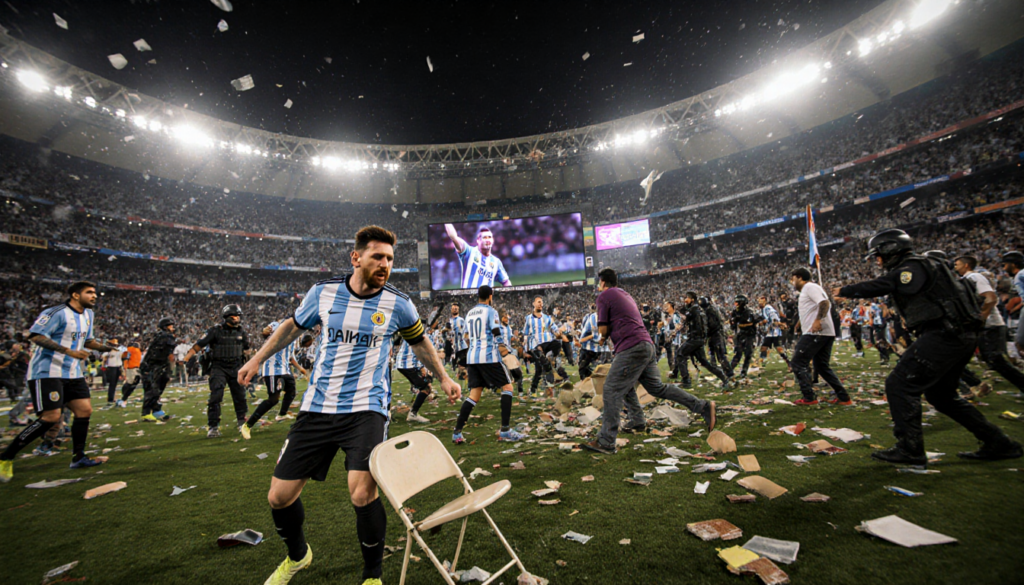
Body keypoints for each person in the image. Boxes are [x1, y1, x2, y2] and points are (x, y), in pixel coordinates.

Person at [237, 225, 460, 585]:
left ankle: (372, 576)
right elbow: (291, 328)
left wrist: (444, 376)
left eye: (389, 258)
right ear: (356, 258)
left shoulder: (398, 304)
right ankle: (298, 556)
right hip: (318, 408)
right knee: (279, 497)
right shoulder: (323, 293)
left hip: (367, 409)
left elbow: (419, 342)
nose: (385, 264)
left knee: (362, 491)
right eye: (377, 257)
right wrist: (258, 359)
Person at [832, 229, 1021, 464]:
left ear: (891, 249)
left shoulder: (914, 267)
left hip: (944, 333)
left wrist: (846, 291)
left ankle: (910, 449)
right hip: (956, 334)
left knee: (899, 384)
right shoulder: (927, 265)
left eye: (879, 255)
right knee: (941, 395)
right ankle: (998, 442)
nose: (878, 261)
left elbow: (888, 283)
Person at [582, 269, 716, 454]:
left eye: (599, 283)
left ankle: (606, 441)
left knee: (612, 388)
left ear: (603, 283)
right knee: (654, 388)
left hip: (631, 347)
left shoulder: (604, 296)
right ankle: (700, 407)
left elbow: (603, 329)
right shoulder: (624, 294)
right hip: (645, 345)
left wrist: (601, 339)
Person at [0, 282, 117, 483]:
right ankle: (6, 456)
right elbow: (35, 335)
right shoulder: (56, 312)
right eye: (89, 292)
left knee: (84, 411)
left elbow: (86, 340)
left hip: (73, 372)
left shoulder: (88, 315)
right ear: (75, 295)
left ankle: (78, 457)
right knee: (51, 417)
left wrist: (103, 347)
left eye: (95, 293)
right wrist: (68, 351)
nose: (94, 296)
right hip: (47, 372)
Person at [452, 285, 526, 444]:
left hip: (472, 358)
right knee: (507, 388)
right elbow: (496, 331)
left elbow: (466, 336)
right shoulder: (491, 311)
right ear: (490, 296)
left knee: (474, 395)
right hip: (489, 356)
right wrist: (503, 349)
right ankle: (505, 430)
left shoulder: (470, 313)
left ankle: (457, 433)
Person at [954, 256, 1024, 394]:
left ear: (967, 265)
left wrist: (981, 319)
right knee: (960, 358)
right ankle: (970, 386)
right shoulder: (965, 280)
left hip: (990, 325)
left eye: (957, 264)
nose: (955, 267)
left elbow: (990, 298)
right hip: (982, 326)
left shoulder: (975, 277)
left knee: (995, 360)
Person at [183, 304, 251, 438]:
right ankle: (213, 427)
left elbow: (247, 350)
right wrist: (187, 357)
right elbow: (199, 344)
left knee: (240, 397)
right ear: (226, 317)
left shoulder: (242, 333)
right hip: (218, 367)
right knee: (215, 397)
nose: (236, 319)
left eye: (238, 316)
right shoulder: (215, 331)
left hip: (236, 367)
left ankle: (242, 423)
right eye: (234, 316)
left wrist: (248, 368)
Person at [788, 268, 852, 406]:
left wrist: (818, 320)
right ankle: (844, 397)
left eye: (793, 279)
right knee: (821, 366)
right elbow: (811, 309)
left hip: (816, 332)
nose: (792, 282)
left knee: (798, 362)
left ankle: (809, 397)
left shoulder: (809, 287)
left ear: (799, 277)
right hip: (823, 332)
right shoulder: (807, 290)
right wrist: (799, 323)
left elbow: (824, 303)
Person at [241, 324, 312, 439]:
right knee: (273, 399)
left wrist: (301, 369)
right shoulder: (281, 325)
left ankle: (281, 414)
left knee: (292, 391)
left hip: (285, 370)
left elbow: (290, 357)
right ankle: (248, 425)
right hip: (272, 369)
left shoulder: (295, 338)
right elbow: (266, 333)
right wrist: (264, 332)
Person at [676, 292, 732, 389]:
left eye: (687, 298)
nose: (685, 300)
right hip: (699, 339)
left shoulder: (694, 309)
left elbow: (687, 319)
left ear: (692, 299)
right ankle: (724, 378)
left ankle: (686, 381)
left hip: (695, 339)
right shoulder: (699, 309)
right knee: (705, 362)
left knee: (680, 354)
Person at [444, 224, 512, 289]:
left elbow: (506, 282)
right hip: (468, 299)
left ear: (493, 240)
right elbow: (454, 237)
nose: (487, 240)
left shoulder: (496, 262)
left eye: (489, 237)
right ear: (478, 240)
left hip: (486, 300)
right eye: (484, 237)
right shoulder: (469, 252)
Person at [522, 296, 560, 397]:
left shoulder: (547, 318)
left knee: (541, 368)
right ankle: (546, 388)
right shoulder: (528, 319)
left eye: (542, 303)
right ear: (533, 303)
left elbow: (555, 330)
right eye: (538, 302)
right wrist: (525, 351)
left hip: (547, 345)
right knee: (542, 367)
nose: (540, 304)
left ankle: (539, 390)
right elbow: (525, 335)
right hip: (535, 347)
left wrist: (559, 333)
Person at [140, 318, 177, 422]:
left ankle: (156, 410)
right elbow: (169, 354)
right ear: (166, 327)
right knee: (153, 390)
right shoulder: (166, 336)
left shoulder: (159, 336)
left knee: (157, 389)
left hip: (157, 365)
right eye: (170, 325)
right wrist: (171, 368)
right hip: (153, 365)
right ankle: (146, 413)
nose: (173, 327)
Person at [394, 335, 434, 424]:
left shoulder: (411, 327)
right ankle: (413, 414)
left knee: (424, 385)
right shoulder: (419, 330)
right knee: (426, 388)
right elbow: (418, 349)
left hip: (403, 363)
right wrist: (421, 367)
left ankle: (415, 391)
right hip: (408, 364)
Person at [729, 294, 763, 377]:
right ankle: (729, 371)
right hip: (741, 334)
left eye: (737, 302)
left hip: (749, 335)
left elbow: (754, 321)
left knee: (748, 354)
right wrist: (732, 323)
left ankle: (744, 371)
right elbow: (733, 326)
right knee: (738, 353)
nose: (735, 304)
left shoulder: (748, 312)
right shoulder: (735, 312)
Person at [700, 297, 733, 377]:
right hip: (714, 335)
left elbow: (712, 325)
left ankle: (729, 373)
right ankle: (719, 372)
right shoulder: (711, 309)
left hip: (716, 335)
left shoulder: (710, 311)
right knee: (713, 354)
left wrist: (705, 332)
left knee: (720, 355)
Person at [757, 296, 791, 369]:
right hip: (769, 333)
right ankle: (761, 363)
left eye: (760, 302)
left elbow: (774, 319)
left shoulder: (768, 308)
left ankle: (789, 363)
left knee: (779, 349)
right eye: (758, 302)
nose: (759, 304)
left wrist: (780, 324)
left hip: (774, 332)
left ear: (765, 301)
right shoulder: (763, 309)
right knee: (763, 348)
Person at [498, 310, 526, 397]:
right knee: (514, 374)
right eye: (505, 317)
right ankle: (518, 393)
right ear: (500, 317)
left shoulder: (508, 328)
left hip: (508, 352)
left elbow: (510, 339)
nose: (507, 319)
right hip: (501, 353)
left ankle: (517, 392)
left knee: (515, 374)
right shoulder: (497, 328)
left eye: (507, 317)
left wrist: (518, 341)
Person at [1002, 251, 1024, 356]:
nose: (1004, 268)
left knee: (1020, 341)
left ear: (1013, 264)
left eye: (1005, 265)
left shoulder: (1021, 274)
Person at [577, 304, 603, 379]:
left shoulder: (598, 318)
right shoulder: (587, 317)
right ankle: (589, 377)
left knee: (583, 367)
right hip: (585, 345)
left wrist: (591, 336)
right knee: (581, 365)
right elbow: (583, 328)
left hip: (593, 346)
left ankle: (587, 383)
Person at [100, 338, 125, 407]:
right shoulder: (108, 352)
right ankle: (110, 398)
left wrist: (122, 371)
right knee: (112, 384)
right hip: (111, 368)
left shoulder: (119, 351)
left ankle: (112, 397)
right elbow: (103, 358)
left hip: (118, 367)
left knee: (114, 384)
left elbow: (121, 359)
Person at [117, 341, 143, 407]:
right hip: (134, 368)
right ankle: (124, 397)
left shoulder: (129, 351)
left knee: (131, 383)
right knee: (132, 383)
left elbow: (125, 360)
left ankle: (124, 396)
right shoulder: (135, 351)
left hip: (132, 368)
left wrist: (125, 369)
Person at [449, 303, 469, 381]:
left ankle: (465, 377)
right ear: (451, 310)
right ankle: (461, 377)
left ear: (458, 310)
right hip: (454, 347)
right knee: (455, 366)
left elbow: (465, 332)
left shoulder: (461, 320)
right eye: (454, 308)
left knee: (463, 363)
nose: (455, 309)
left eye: (456, 308)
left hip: (462, 346)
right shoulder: (450, 321)